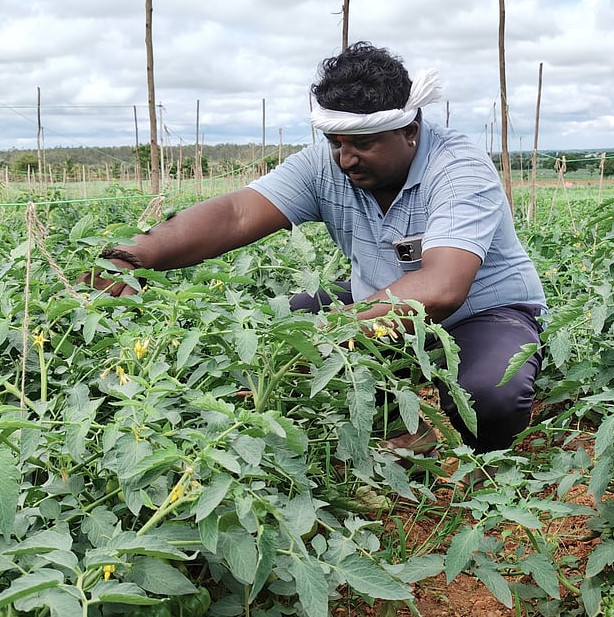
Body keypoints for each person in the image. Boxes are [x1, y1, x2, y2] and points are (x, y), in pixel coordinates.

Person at [87, 42, 547, 455]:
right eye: (335, 143)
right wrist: (132, 256)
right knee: (276, 326)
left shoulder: (458, 169)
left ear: (410, 131)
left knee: (490, 393)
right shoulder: (326, 166)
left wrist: (326, 334)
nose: (346, 159)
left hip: (482, 312)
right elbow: (237, 215)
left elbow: (442, 289)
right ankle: (403, 425)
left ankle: (478, 458)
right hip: (378, 297)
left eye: (362, 144)